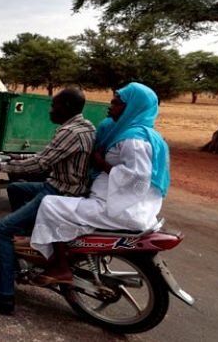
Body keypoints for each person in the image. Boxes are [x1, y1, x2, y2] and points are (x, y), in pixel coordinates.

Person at [0, 88, 95, 315]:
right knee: (15, 189)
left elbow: (39, 165)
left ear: (66, 106)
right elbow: (47, 155)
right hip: (65, 187)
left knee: (2, 230)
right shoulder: (84, 126)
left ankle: (3, 296)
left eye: (54, 106)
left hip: (60, 192)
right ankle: (28, 246)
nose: (50, 110)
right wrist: (12, 156)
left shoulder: (70, 132)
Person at [30, 83, 168, 284]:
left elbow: (137, 177)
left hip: (120, 209)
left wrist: (100, 162)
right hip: (131, 206)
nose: (110, 107)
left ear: (133, 107)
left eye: (117, 103)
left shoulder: (134, 140)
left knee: (50, 204)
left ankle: (60, 267)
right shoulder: (146, 134)